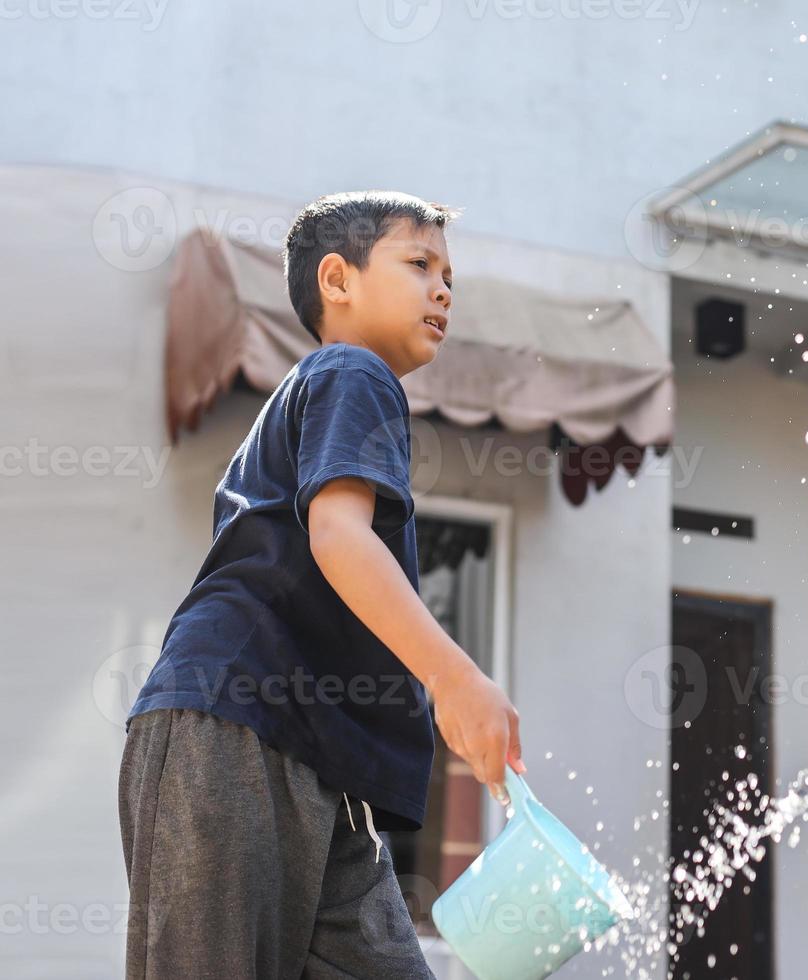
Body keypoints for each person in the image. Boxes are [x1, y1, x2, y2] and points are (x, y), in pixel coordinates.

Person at [117, 190, 525, 978]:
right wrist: (455, 680)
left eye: (451, 276)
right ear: (336, 280)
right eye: (419, 264)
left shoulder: (333, 388)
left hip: (316, 766)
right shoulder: (353, 372)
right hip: (233, 729)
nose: (444, 289)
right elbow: (339, 536)